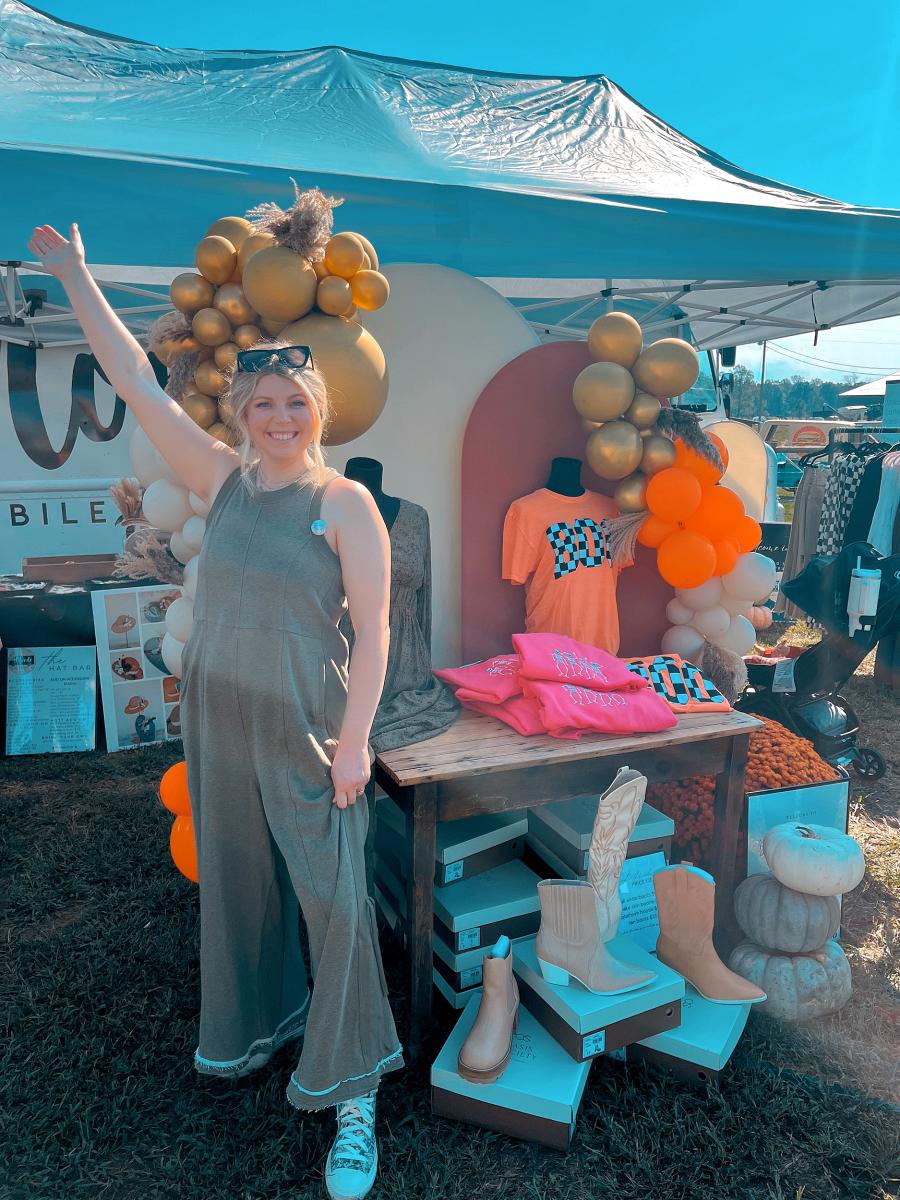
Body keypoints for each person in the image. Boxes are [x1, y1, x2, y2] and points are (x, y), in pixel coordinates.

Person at [28, 223, 402, 1200]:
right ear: (242, 412)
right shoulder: (222, 481)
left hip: (309, 727)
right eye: (263, 403)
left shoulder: (344, 505)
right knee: (241, 888)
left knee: (337, 903)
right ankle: (268, 1028)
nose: (279, 417)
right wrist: (76, 276)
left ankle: (355, 1093)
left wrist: (355, 743)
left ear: (317, 412)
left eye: (294, 403)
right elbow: (136, 381)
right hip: (221, 719)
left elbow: (375, 635)